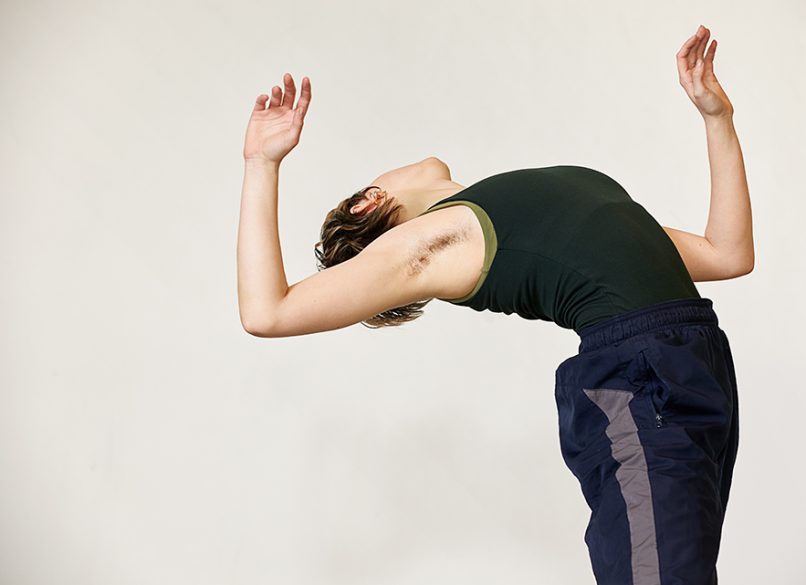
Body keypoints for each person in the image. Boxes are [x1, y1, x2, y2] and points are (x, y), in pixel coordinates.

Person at [237, 23, 752, 585]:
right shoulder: (432, 241)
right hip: (640, 376)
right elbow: (267, 311)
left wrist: (716, 119)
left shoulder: (511, 211)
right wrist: (262, 165)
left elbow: (727, 254)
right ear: (369, 204)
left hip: (691, 359)